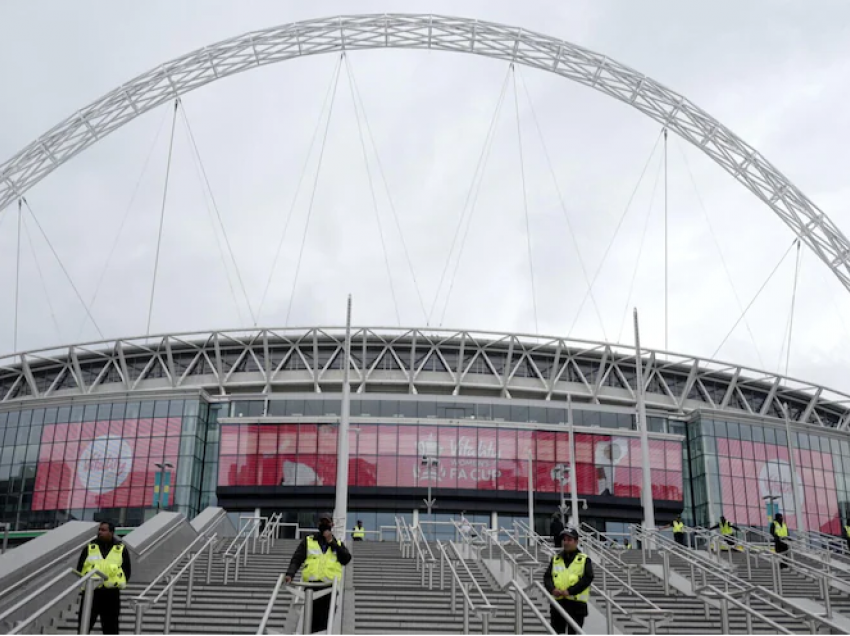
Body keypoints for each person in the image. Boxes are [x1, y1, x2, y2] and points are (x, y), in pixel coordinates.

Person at [285, 512, 352, 634]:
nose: (324, 525)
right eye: (322, 522)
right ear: (318, 524)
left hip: (329, 587)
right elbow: (297, 558)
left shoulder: (338, 544)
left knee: (325, 621)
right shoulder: (308, 540)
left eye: (327, 522)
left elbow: (346, 558)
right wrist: (290, 574)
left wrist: (331, 542)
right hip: (311, 586)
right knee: (311, 620)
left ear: (332, 524)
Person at [76, 521, 131, 635]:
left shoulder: (121, 549)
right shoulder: (90, 547)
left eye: (103, 530)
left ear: (111, 532)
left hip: (111, 594)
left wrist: (116, 582)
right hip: (91, 593)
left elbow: (127, 570)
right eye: (99, 530)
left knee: (111, 629)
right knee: (84, 627)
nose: (100, 532)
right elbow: (80, 568)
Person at [544, 527, 594, 634]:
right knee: (557, 632)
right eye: (564, 540)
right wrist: (552, 589)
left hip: (576, 605)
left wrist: (570, 591)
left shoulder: (584, 559)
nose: (566, 542)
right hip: (558, 603)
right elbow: (547, 577)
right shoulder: (555, 559)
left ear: (576, 541)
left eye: (569, 540)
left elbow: (587, 578)